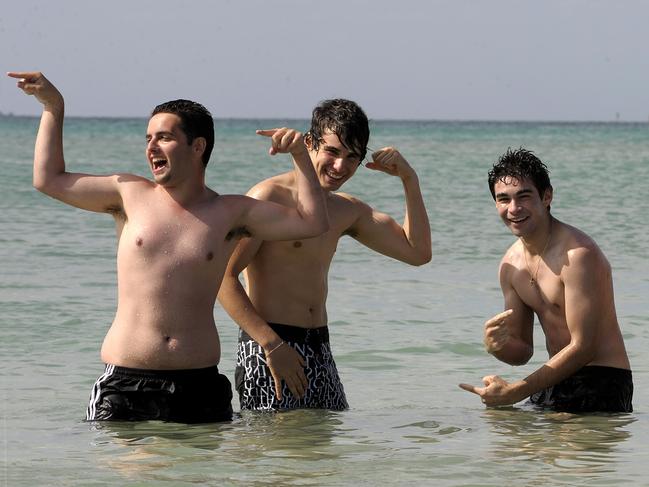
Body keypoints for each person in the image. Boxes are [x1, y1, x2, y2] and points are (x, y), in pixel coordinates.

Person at [8, 71, 329, 423]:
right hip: (126, 384)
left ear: (197, 146)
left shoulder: (231, 212)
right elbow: (48, 180)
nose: (151, 147)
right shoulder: (128, 194)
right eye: (148, 137)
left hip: (201, 384)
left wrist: (300, 155)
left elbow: (312, 223)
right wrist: (54, 107)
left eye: (164, 137)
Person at [218, 99, 432, 411]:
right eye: (332, 151)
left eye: (352, 157)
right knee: (273, 453)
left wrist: (409, 179)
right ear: (309, 143)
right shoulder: (269, 198)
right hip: (270, 347)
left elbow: (418, 253)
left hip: (320, 348)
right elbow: (223, 278)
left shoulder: (346, 210)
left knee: (326, 453)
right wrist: (271, 344)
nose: (340, 166)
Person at [460, 148, 632, 413]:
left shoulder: (578, 255)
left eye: (524, 197)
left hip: (601, 380)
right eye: (503, 199)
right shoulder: (510, 265)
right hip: (555, 380)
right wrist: (496, 346)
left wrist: (515, 391)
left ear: (547, 196)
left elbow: (584, 347)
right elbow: (522, 351)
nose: (514, 209)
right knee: (504, 438)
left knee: (564, 449)